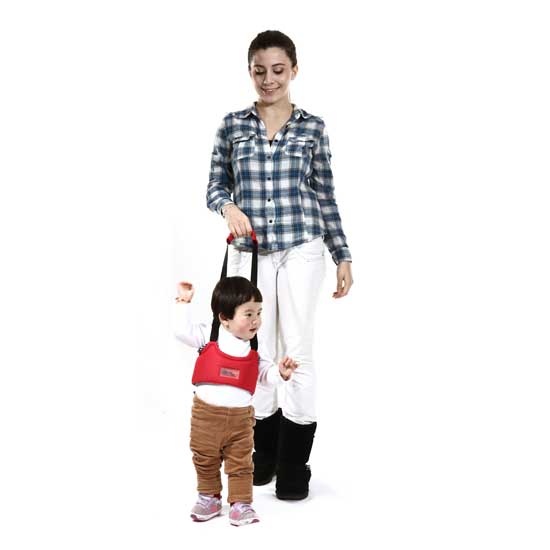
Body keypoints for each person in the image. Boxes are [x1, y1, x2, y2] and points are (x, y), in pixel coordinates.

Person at [206, 30, 353, 500]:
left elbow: (325, 194)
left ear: (294, 70)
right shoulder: (232, 125)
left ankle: (294, 464)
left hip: (301, 247)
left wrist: (341, 253)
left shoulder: (313, 128)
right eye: (259, 71)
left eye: (278, 70)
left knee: (298, 351)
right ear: (249, 71)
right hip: (250, 253)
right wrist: (228, 206)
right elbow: (214, 185)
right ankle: (264, 454)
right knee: (258, 351)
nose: (268, 79)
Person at [174, 276, 298, 526]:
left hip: (241, 420)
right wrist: (183, 304)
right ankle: (208, 497)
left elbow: (265, 375)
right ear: (224, 318)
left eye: (259, 313)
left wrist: (280, 373)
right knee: (205, 458)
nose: (256, 320)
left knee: (241, 463)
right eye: (248, 314)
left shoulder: (256, 346)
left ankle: (241, 503)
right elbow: (181, 331)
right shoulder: (209, 336)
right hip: (205, 417)